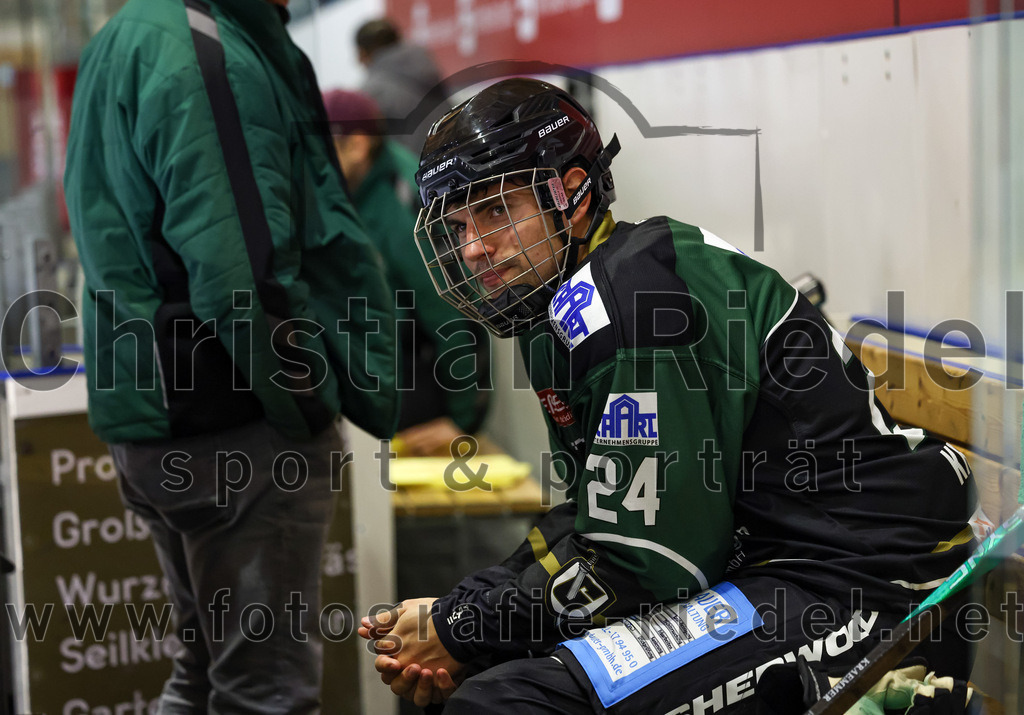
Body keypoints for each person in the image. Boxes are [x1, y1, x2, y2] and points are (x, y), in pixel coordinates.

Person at [358, 78, 986, 713]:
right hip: (763, 567)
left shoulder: (630, 301)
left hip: (862, 586)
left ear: (572, 197)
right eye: (459, 224)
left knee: (505, 704)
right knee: (486, 679)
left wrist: (467, 630)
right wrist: (463, 612)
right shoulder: (556, 303)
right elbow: (599, 512)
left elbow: (650, 563)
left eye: (496, 212)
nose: (473, 249)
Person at [63, 0, 397, 711]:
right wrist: (308, 404)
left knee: (205, 672)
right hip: (233, 419)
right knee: (263, 692)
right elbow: (239, 273)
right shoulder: (202, 51)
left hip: (162, 413)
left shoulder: (129, 35)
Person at [323, 88, 490, 456]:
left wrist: (462, 422)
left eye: (322, 147)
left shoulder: (401, 204)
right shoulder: (353, 190)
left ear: (357, 146)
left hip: (413, 391)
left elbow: (453, 312)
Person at [355, 18, 448, 154]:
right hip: (452, 161)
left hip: (414, 171)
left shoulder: (372, 90)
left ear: (362, 54)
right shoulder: (427, 65)